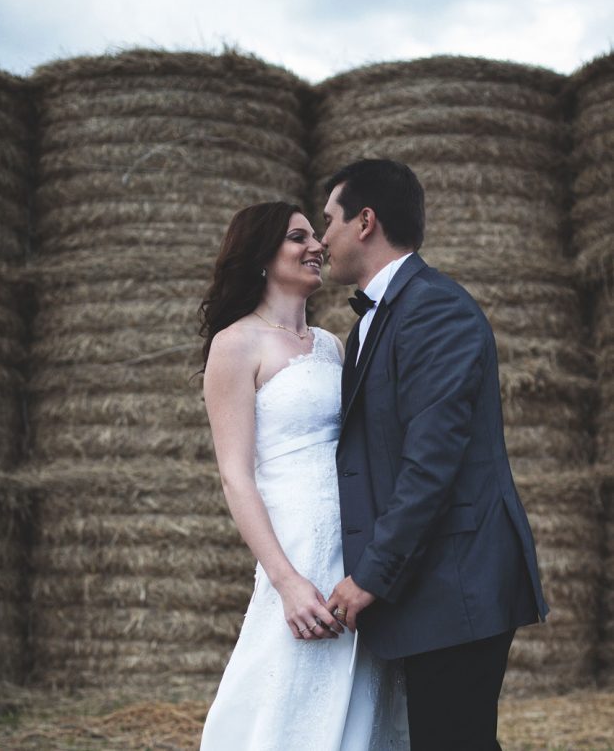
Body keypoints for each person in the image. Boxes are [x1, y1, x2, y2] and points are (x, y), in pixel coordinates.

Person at [320, 159, 548, 751]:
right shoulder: (380, 319)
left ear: (364, 222)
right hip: (434, 585)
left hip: (459, 580)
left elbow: (432, 462)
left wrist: (371, 572)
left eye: (328, 222)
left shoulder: (432, 307)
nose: (322, 240)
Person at [198, 201, 409, 751]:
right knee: (287, 685)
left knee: (362, 688)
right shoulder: (235, 344)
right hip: (293, 543)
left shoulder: (333, 345)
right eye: (298, 237)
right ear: (261, 257)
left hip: (353, 541)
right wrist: (285, 581)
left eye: (316, 235)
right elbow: (235, 478)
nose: (317, 245)